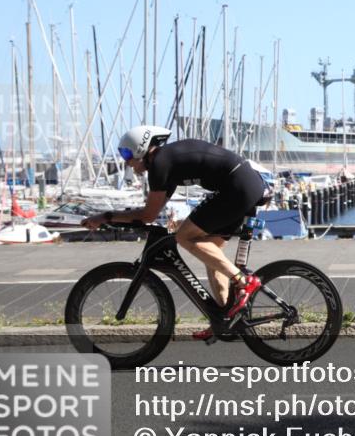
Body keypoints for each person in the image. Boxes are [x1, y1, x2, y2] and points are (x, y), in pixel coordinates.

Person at [82, 126, 266, 341]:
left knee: (184, 236)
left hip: (237, 186)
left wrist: (106, 217)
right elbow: (152, 213)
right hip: (240, 184)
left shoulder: (160, 164)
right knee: (211, 252)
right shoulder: (167, 164)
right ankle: (224, 318)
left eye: (126, 153)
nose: (126, 161)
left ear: (141, 148)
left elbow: (148, 215)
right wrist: (117, 218)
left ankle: (243, 281)